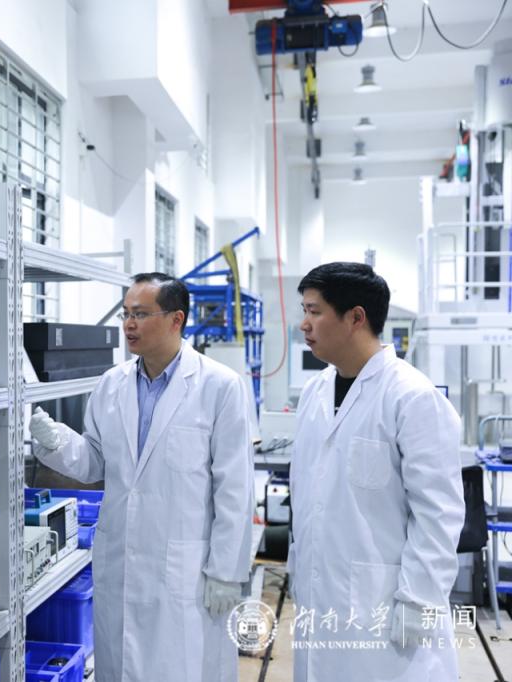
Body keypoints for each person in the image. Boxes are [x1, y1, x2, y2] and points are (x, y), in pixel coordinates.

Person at [29, 273, 254, 682]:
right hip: (122, 558)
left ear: (176, 319)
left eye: (141, 314)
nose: (129, 325)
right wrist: (56, 441)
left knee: (181, 667)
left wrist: (227, 572)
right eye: (126, 314)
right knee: (123, 664)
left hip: (186, 567)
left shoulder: (219, 386)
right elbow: (95, 463)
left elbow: (234, 489)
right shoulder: (111, 385)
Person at [290, 262, 465, 681]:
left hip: (388, 608)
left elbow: (438, 514)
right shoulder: (315, 392)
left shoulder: (412, 397)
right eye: (304, 311)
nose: (304, 324)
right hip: (322, 597)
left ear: (356, 317)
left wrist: (419, 601)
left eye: (314, 311)